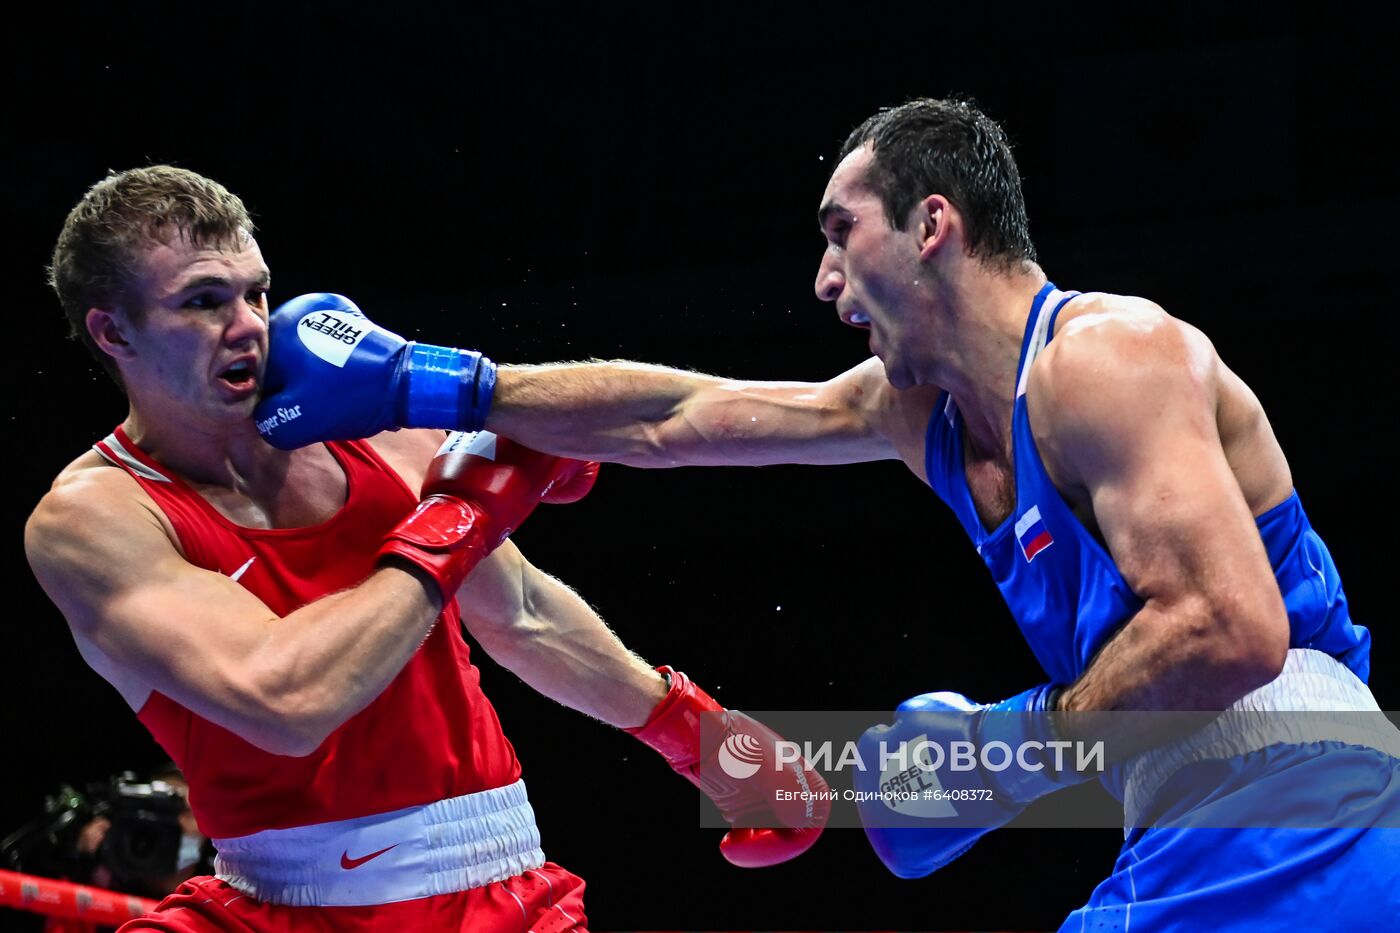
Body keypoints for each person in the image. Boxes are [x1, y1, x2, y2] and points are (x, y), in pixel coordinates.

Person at [254, 97, 1400, 929]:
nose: (820, 278)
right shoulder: (922, 414)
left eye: (838, 229)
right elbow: (680, 415)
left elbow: (1228, 631)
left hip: (1297, 787)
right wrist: (434, 384)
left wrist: (996, 760)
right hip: (1199, 814)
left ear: (931, 225)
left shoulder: (1104, 358)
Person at [26, 166, 828, 932]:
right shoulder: (96, 518)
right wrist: (460, 519)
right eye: (202, 302)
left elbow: (521, 613)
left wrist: (703, 739)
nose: (246, 326)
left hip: (486, 888)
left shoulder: (361, 417)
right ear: (113, 330)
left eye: (255, 291)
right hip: (268, 897)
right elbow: (285, 700)